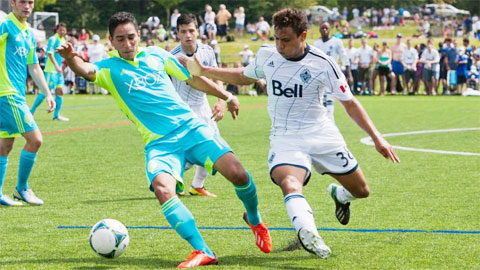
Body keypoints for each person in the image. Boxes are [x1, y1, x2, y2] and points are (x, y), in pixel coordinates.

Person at [57, 11, 271, 268]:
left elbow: (192, 79)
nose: (127, 44)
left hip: (192, 128)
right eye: (120, 39)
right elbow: (86, 69)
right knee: (162, 188)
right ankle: (203, 251)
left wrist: (226, 96)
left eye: (131, 37)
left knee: (239, 174)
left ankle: (255, 220)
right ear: (111, 41)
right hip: (160, 144)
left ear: (139, 35)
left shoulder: (157, 55)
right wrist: (71, 59)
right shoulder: (108, 68)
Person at [183, 8, 399, 259]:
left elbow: (349, 103)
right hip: (285, 137)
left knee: (362, 190)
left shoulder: (323, 63)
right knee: (289, 182)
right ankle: (309, 233)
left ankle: (339, 195)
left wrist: (377, 137)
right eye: (276, 38)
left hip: (321, 133)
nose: (279, 45)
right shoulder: (266, 55)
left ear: (303, 36)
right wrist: (206, 70)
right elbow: (243, 76)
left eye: (286, 40)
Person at [0, 0, 56, 206]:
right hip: (8, 93)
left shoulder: (28, 33)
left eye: (30, 2)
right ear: (12, 3)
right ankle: (21, 188)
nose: (27, 6)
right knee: (36, 140)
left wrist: (48, 93)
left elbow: (33, 66)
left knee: (5, 145)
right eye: (22, 1)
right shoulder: (4, 26)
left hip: (17, 95)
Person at [170, 13, 225, 198]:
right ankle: (167, 179)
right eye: (183, 31)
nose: (188, 35)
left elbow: (217, 77)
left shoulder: (208, 51)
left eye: (191, 30)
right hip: (182, 109)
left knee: (214, 146)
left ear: (198, 31)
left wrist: (220, 101)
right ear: (177, 33)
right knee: (191, 152)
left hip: (203, 107)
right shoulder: (171, 57)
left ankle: (197, 186)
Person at [314, 22, 352, 120]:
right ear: (319, 30)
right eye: (322, 28)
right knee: (321, 99)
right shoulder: (316, 44)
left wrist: (349, 74)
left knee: (330, 97)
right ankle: (322, 120)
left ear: (330, 29)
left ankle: (330, 119)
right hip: (319, 75)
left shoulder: (336, 42)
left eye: (326, 28)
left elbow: (344, 57)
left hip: (332, 74)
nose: (324, 30)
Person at [30, 23, 69, 121]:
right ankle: (31, 111)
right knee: (45, 92)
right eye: (60, 30)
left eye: (64, 30)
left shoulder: (64, 40)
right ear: (57, 30)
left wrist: (63, 65)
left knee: (60, 91)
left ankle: (56, 115)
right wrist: (57, 66)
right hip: (51, 70)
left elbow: (64, 56)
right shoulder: (53, 39)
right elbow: (50, 54)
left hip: (59, 71)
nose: (62, 32)